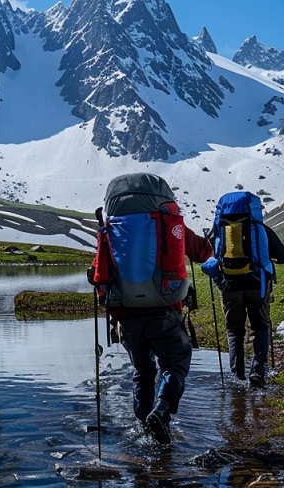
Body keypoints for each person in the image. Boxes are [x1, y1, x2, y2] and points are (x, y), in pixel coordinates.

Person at [89, 173, 213, 444]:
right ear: (161, 200)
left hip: (126, 314)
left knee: (142, 370)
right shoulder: (169, 224)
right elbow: (204, 252)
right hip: (165, 309)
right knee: (175, 364)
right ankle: (162, 410)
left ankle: (143, 428)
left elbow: (100, 271)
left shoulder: (111, 228)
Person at [201, 191, 284, 387]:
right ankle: (258, 370)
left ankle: (237, 376)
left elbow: (209, 254)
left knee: (234, 331)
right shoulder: (259, 228)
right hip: (256, 284)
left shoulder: (219, 230)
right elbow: (283, 257)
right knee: (260, 326)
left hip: (229, 286)